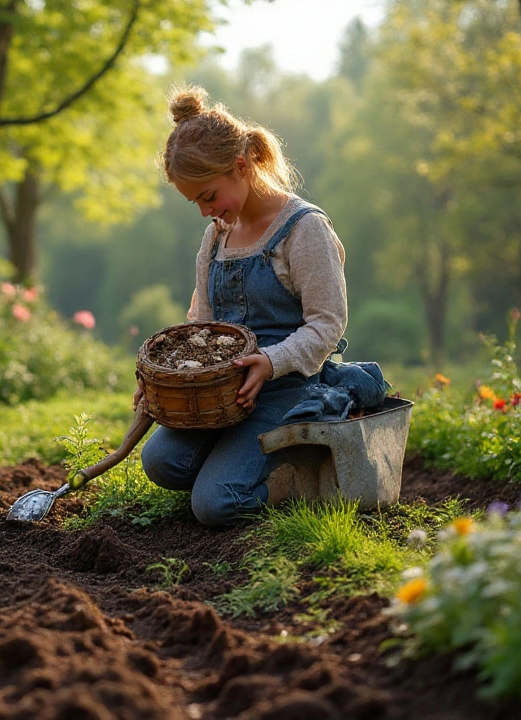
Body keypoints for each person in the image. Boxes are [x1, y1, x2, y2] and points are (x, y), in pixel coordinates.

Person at [137, 85, 348, 527]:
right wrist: (170, 383)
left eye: (209, 196)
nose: (204, 211)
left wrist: (270, 363)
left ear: (242, 166)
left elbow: (327, 324)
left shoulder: (303, 229)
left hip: (287, 388)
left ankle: (298, 478)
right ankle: (235, 458)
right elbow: (202, 323)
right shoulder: (216, 235)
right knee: (161, 462)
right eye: (195, 201)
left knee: (216, 505)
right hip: (221, 393)